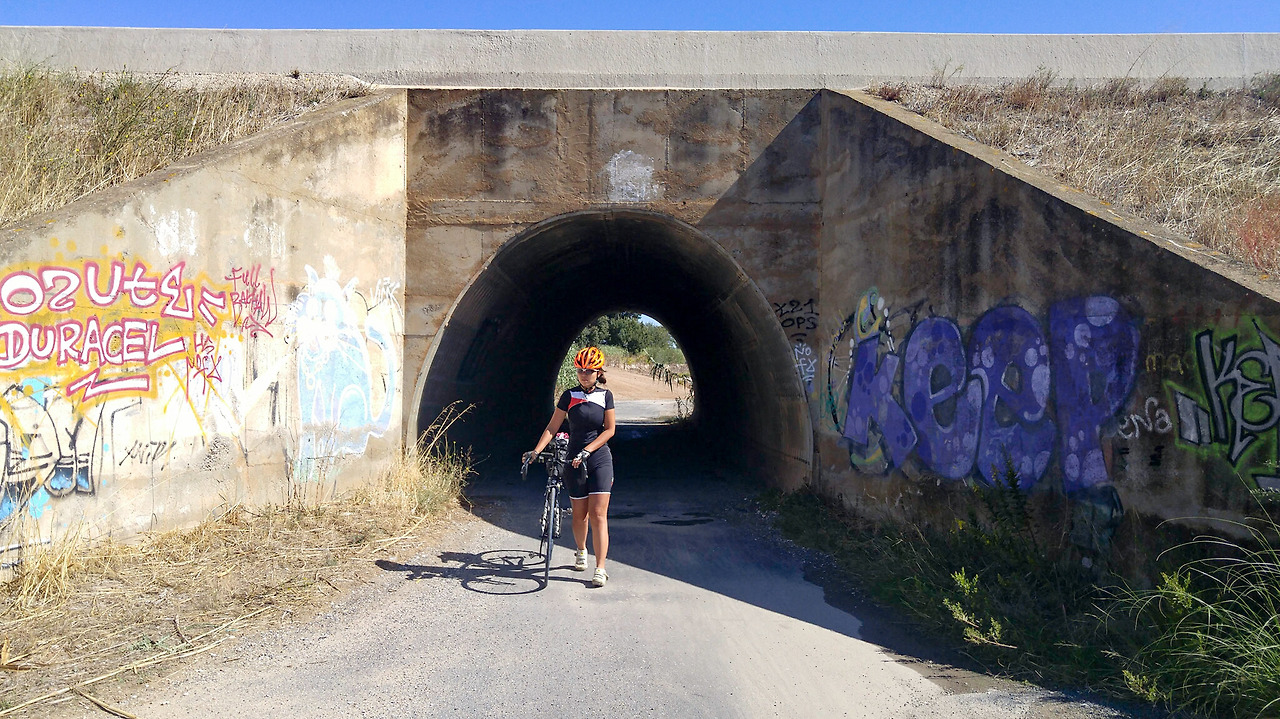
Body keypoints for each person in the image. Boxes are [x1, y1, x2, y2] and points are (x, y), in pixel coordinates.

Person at [526, 346, 616, 587]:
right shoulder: (569, 396)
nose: (584, 375)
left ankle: (600, 568)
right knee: (580, 514)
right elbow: (552, 427)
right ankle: (581, 549)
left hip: (598, 458)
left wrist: (589, 450)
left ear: (598, 372)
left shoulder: (605, 396)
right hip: (573, 458)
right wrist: (537, 450)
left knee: (598, 514)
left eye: (589, 371)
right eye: (580, 370)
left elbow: (610, 430)